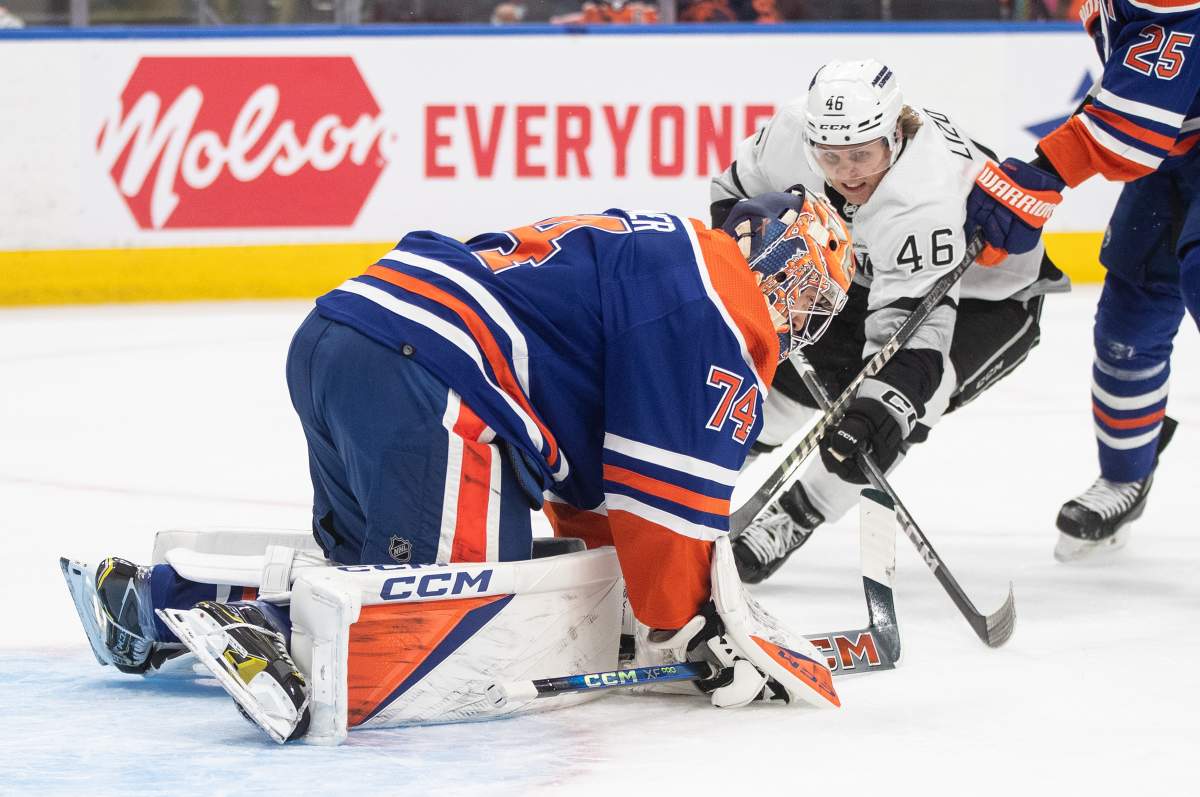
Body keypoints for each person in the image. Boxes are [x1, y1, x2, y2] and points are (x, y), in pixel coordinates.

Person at [61, 190, 856, 740]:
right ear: (779, 255)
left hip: (348, 336)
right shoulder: (724, 303)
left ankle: (160, 599)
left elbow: (595, 491)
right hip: (435, 376)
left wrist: (616, 593)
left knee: (364, 583)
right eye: (808, 291)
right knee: (447, 623)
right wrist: (691, 629)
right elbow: (665, 497)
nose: (800, 318)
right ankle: (253, 629)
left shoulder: (664, 254)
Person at [711, 59, 1069, 583]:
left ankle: (791, 518)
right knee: (784, 375)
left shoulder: (921, 195)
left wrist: (881, 406)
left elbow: (917, 334)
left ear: (895, 133)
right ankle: (704, 482)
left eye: (862, 154)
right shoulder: (792, 132)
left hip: (988, 300)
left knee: (898, 411)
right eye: (831, 157)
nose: (847, 171)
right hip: (871, 270)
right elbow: (733, 194)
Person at [965, 2, 1198, 560]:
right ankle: (1124, 478)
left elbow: (1140, 109)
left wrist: (1048, 168)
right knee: (1127, 325)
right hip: (1177, 162)